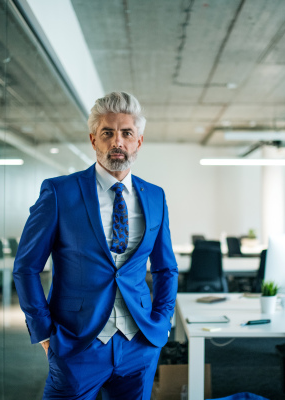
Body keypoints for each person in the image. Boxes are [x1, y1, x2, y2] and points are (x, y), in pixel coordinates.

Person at [13, 91, 179, 400]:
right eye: (108, 133)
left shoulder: (155, 196)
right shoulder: (59, 192)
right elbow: (26, 267)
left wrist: (162, 322)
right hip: (76, 342)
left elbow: (166, 267)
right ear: (94, 140)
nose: (118, 142)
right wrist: (43, 332)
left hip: (139, 342)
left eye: (127, 133)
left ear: (138, 142)